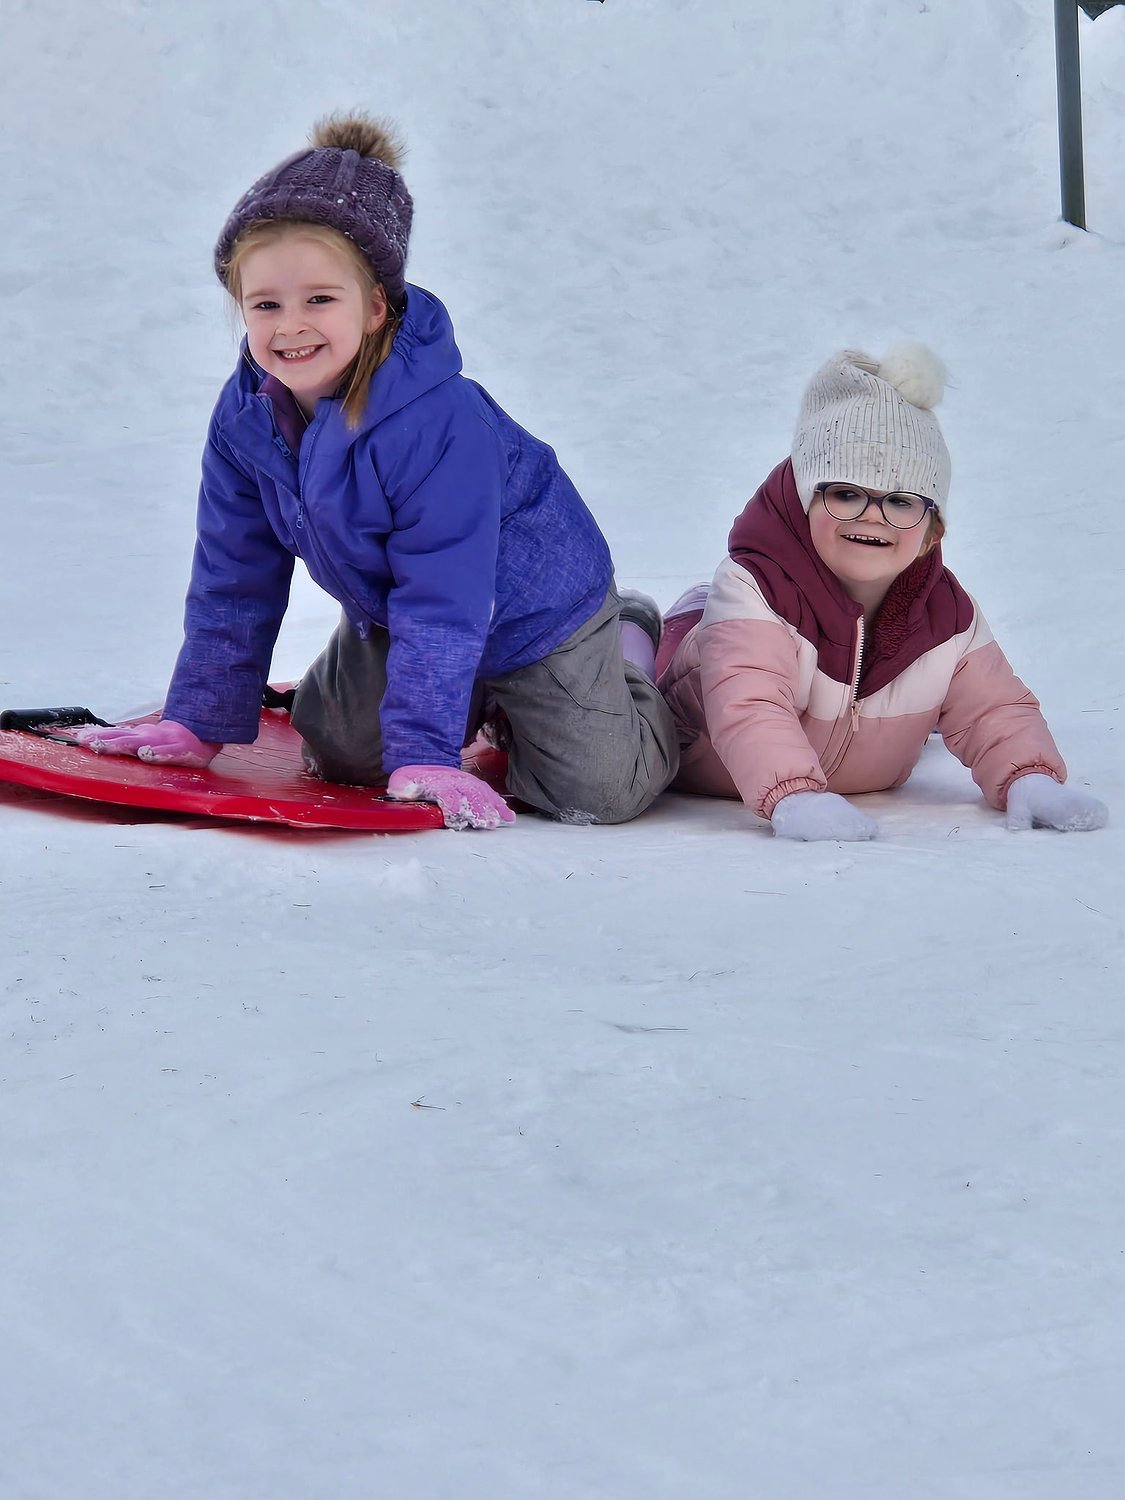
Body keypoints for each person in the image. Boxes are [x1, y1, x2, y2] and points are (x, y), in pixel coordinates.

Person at [76, 113, 678, 829]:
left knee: (596, 793)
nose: (290, 326)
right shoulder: (247, 418)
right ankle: (468, 699)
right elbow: (233, 575)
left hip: (535, 613)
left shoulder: (436, 422)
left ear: (376, 306)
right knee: (340, 758)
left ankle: (629, 648)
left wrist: (424, 753)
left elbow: (446, 595)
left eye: (319, 299)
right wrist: (200, 721)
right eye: (265, 304)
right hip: (402, 615)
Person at [655, 343, 1107, 840]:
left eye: (900, 500)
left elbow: (992, 709)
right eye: (846, 493)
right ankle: (640, 623)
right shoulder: (754, 591)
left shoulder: (947, 619)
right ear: (804, 502)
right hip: (705, 737)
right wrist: (795, 797)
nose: (873, 514)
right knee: (663, 653)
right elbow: (750, 704)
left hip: (852, 738)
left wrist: (1031, 780)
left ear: (932, 531)